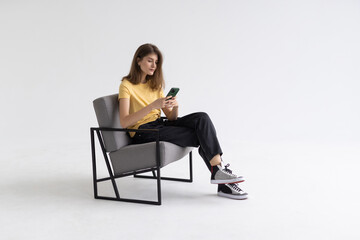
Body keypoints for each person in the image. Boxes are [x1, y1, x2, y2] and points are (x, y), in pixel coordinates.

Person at [118, 43, 248, 200]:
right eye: (150, 61)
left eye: (156, 62)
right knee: (202, 136)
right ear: (138, 61)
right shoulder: (126, 85)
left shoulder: (155, 85)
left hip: (160, 124)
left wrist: (175, 107)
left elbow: (172, 119)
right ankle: (222, 181)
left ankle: (219, 174)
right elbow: (124, 122)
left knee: (202, 118)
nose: (154, 65)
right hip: (143, 132)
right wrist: (153, 105)